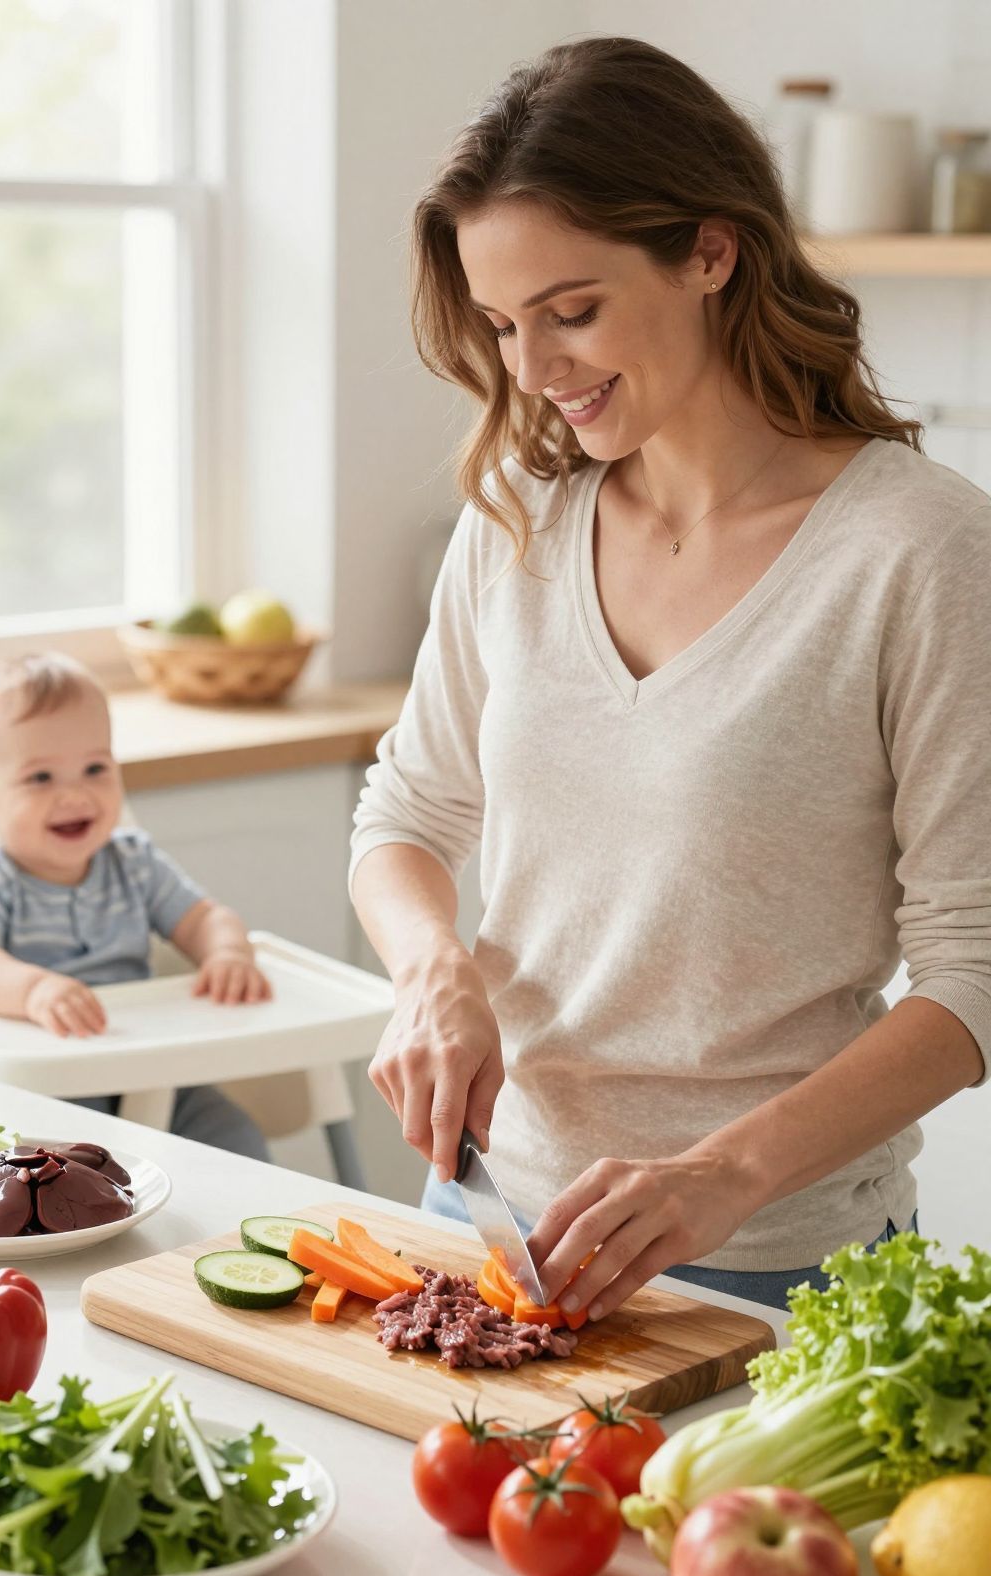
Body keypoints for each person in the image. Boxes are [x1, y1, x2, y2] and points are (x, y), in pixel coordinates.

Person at [349, 37, 990, 1315]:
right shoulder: (515, 521)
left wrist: (717, 1174)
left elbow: (973, 970)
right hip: (489, 1223)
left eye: (572, 311)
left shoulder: (919, 552)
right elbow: (406, 818)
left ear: (710, 250)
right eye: (502, 325)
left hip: (780, 1266)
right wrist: (433, 973)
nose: (533, 370)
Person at [0, 651, 272, 1159]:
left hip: (152, 1070)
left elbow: (205, 917)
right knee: (73, 1186)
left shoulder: (133, 862)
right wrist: (34, 989)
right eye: (40, 778)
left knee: (237, 1140)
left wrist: (227, 955)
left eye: (94, 768)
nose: (75, 794)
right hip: (47, 1094)